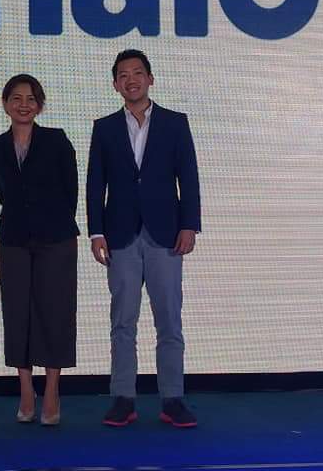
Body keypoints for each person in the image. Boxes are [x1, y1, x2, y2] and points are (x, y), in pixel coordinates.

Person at [86, 49, 201, 429]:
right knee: (123, 321)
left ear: (150, 79)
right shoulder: (104, 128)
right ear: (115, 84)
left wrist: (189, 225)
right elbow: (95, 184)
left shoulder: (175, 123)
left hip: (166, 234)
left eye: (137, 73)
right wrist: (96, 231)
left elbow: (188, 177)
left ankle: (173, 399)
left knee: (169, 320)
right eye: (123, 75)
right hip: (120, 235)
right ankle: (123, 398)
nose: (131, 80)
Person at [0, 74, 79, 426]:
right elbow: (3, 193)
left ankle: (52, 390)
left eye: (31, 99)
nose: (23, 105)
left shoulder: (56, 140)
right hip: (13, 240)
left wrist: (49, 222)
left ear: (39, 105)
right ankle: (26, 390)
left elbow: (70, 190)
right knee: (17, 314)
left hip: (56, 239)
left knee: (55, 313)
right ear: (5, 103)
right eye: (16, 98)